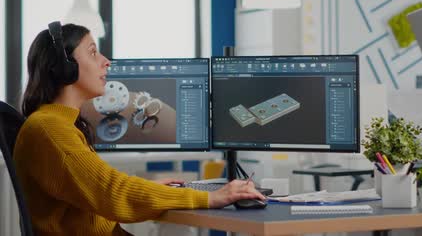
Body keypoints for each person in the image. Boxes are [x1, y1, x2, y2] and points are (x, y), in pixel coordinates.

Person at [13, 22, 265, 236]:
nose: (106, 62)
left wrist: (153, 189)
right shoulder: (49, 130)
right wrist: (209, 198)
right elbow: (111, 193)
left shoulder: (56, 124)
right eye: (92, 53)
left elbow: (100, 185)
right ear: (64, 68)